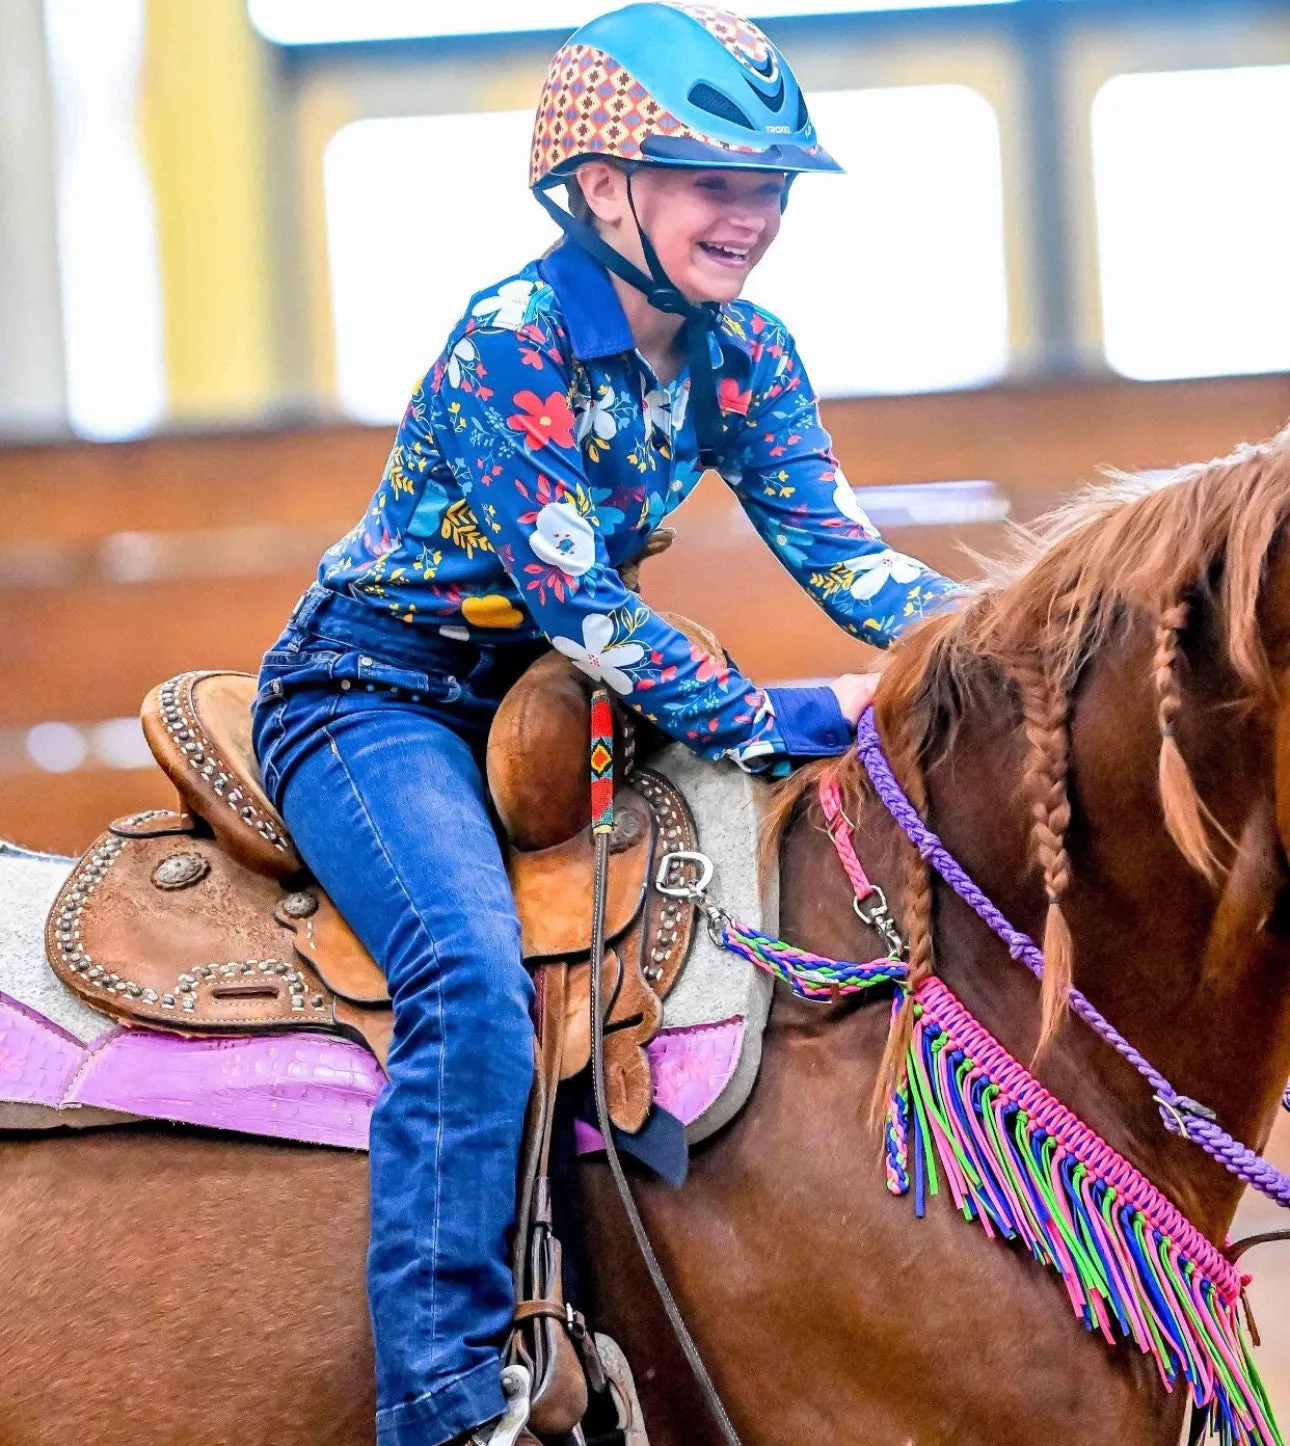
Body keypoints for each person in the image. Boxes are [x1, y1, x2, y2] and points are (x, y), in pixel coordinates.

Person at [251, 5, 956, 1443]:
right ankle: (442, 1394)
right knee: (465, 974)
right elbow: (586, 607)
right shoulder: (508, 340)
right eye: (715, 181)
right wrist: (798, 715)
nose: (752, 216)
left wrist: (1006, 640)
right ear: (598, 188)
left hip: (562, 710)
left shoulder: (746, 351)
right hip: (376, 697)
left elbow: (843, 557)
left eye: (768, 187)